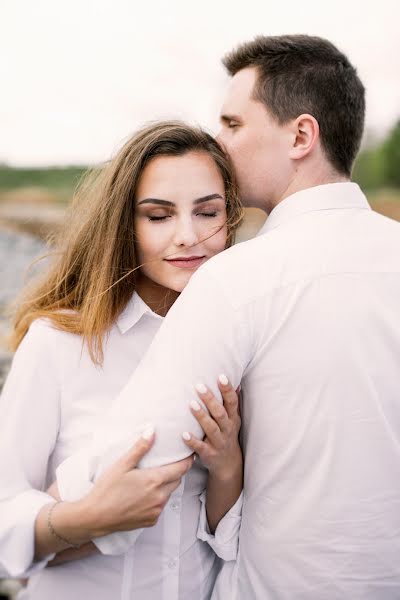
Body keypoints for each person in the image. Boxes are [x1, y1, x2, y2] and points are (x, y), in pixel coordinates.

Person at [56, 34, 400, 599]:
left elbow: (134, 462)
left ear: (301, 135)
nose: (219, 141)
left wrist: (43, 528)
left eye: (234, 124)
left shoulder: (239, 279)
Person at [0, 121, 245, 599]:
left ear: (230, 218)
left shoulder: (236, 343)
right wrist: (90, 519)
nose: (187, 237)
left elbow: (227, 539)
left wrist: (228, 468)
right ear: (124, 225)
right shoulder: (59, 342)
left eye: (208, 212)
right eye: (158, 216)